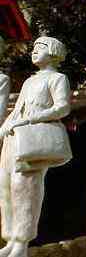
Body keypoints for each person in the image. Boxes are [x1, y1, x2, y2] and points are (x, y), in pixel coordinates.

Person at [0, 36, 71, 257]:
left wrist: (32, 118)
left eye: (39, 47)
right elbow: (17, 109)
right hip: (14, 137)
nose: (34, 51)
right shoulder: (29, 81)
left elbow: (62, 108)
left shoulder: (58, 78)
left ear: (53, 52)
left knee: (26, 189)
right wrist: (5, 125)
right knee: (5, 188)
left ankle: (22, 241)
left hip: (33, 138)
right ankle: (10, 238)